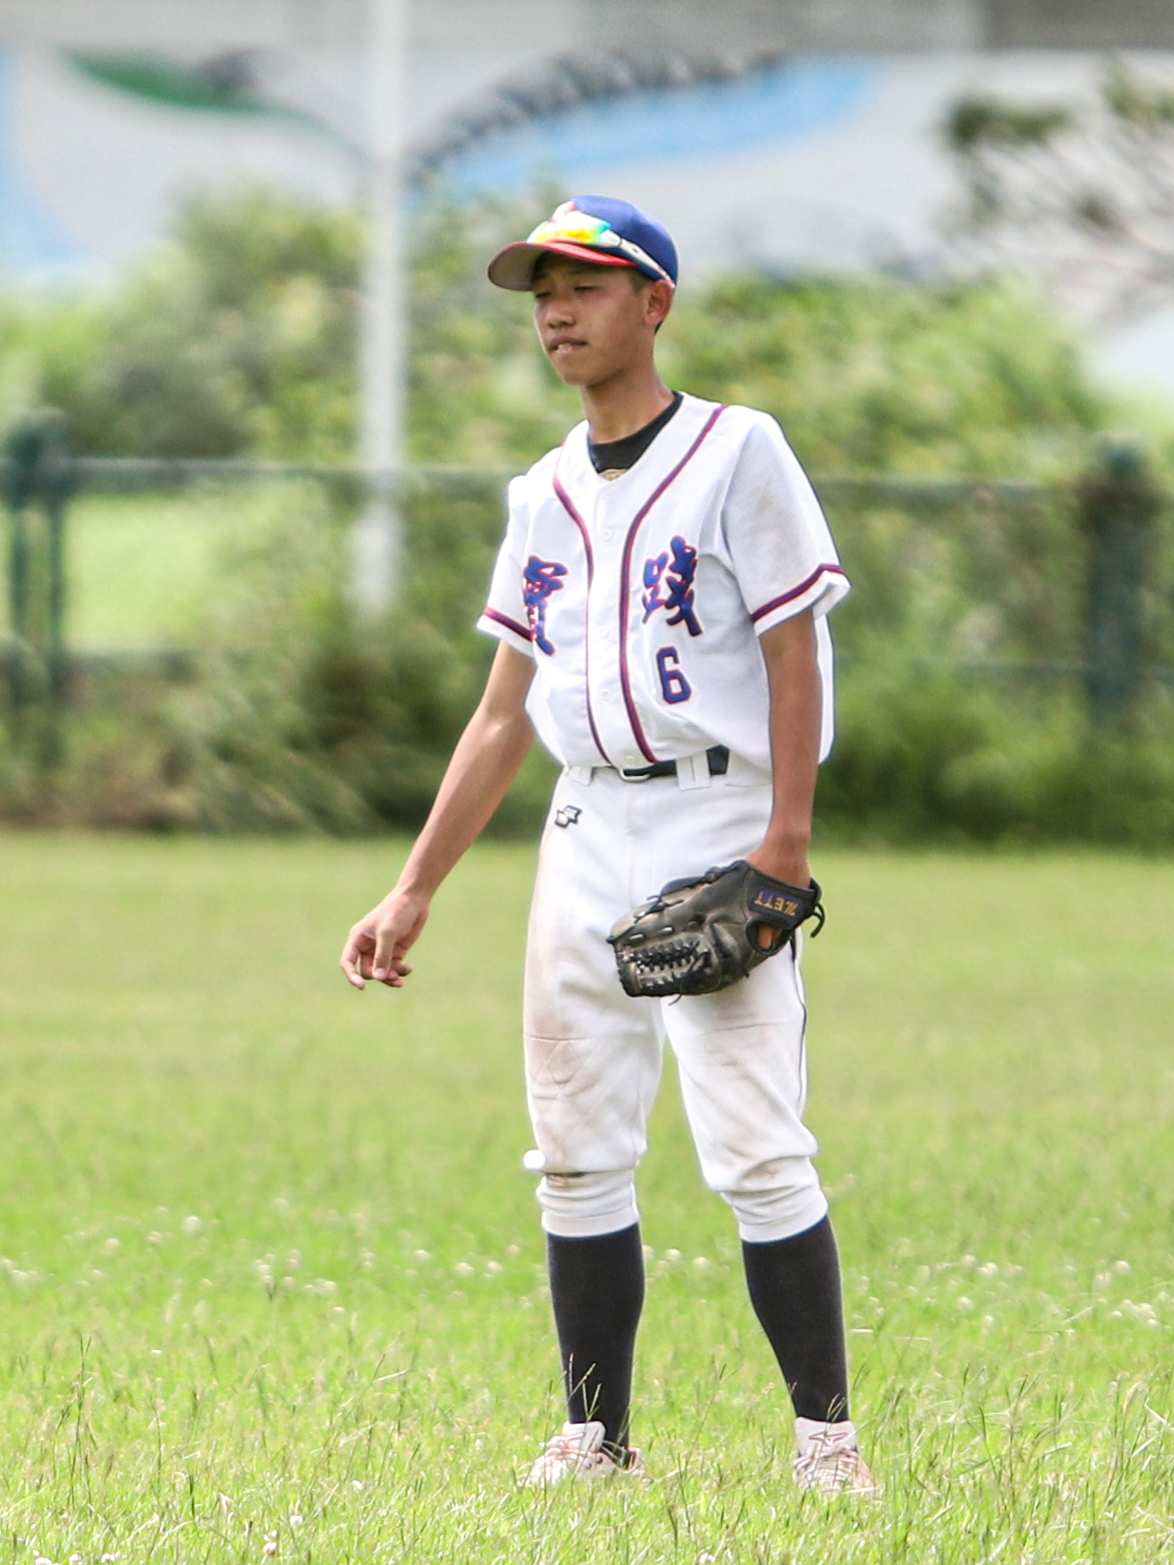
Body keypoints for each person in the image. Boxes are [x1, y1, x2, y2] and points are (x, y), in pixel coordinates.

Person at [340, 195, 874, 1494]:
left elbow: (792, 648)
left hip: (717, 810)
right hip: (584, 820)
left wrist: (786, 839)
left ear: (654, 303)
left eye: (584, 285)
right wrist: (412, 887)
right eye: (542, 294)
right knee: (574, 1149)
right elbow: (500, 714)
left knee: (756, 1146)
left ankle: (827, 1445)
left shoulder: (739, 451)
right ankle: (596, 1438)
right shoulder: (542, 494)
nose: (557, 313)